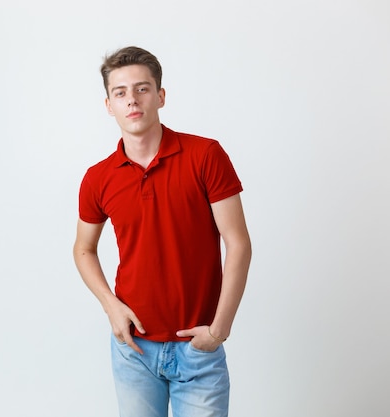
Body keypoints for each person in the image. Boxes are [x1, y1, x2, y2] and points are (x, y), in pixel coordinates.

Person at [73, 46, 252, 417]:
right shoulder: (98, 178)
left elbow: (238, 244)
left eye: (142, 88)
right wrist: (111, 307)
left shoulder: (205, 155)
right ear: (109, 105)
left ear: (160, 96)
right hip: (133, 350)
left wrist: (219, 329)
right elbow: (83, 249)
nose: (132, 100)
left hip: (197, 349)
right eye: (120, 93)